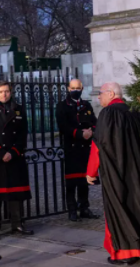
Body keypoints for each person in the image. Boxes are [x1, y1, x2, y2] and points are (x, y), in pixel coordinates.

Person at [86, 82, 140, 266]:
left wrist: (91, 172)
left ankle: (126, 252)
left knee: (121, 207)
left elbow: (99, 145)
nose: (99, 97)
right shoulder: (134, 112)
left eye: (101, 93)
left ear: (111, 93)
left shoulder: (107, 114)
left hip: (118, 172)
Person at [0, 81, 33, 240]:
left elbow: (23, 134)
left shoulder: (19, 109)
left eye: (7, 91)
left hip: (14, 157)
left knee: (16, 193)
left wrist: (13, 152)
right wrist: (1, 152)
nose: (4, 94)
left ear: (11, 92)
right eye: (1, 91)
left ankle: (17, 223)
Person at [55, 79, 100, 222]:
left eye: (78, 87)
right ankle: (72, 210)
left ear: (82, 88)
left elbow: (94, 122)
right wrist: (80, 134)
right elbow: (63, 126)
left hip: (85, 148)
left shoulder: (86, 105)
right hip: (72, 148)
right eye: (73, 87)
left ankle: (84, 207)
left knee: (84, 180)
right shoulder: (62, 106)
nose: (75, 90)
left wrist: (91, 131)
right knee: (71, 182)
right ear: (68, 89)